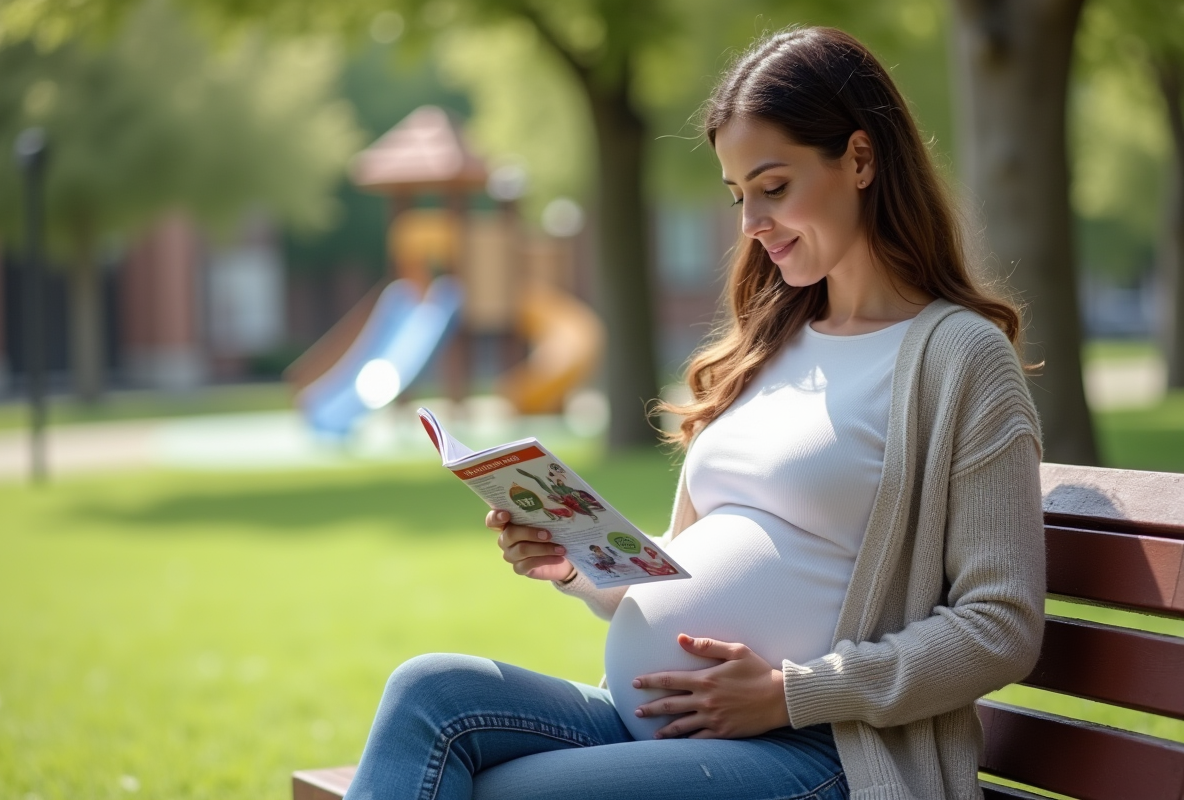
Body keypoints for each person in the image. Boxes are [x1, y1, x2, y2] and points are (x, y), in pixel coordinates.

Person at [345, 25, 1044, 800]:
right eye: (738, 194)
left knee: (507, 793)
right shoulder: (767, 345)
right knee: (429, 694)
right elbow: (682, 563)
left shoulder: (957, 359)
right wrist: (578, 560)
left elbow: (999, 626)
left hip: (823, 752)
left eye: (773, 187)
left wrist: (790, 692)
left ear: (859, 159)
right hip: (659, 725)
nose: (751, 224)